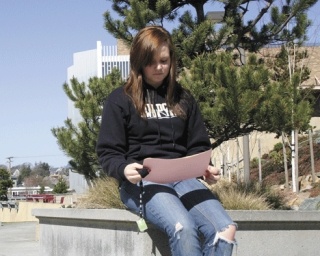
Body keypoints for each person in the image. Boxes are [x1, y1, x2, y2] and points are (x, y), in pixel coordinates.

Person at [96, 26, 237, 256]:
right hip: (143, 182)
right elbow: (108, 152)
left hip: (184, 179)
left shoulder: (183, 98)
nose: (159, 67)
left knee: (226, 229)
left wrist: (205, 169)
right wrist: (123, 169)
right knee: (184, 227)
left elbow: (198, 145)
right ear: (139, 61)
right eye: (151, 61)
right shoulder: (119, 99)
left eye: (164, 60)